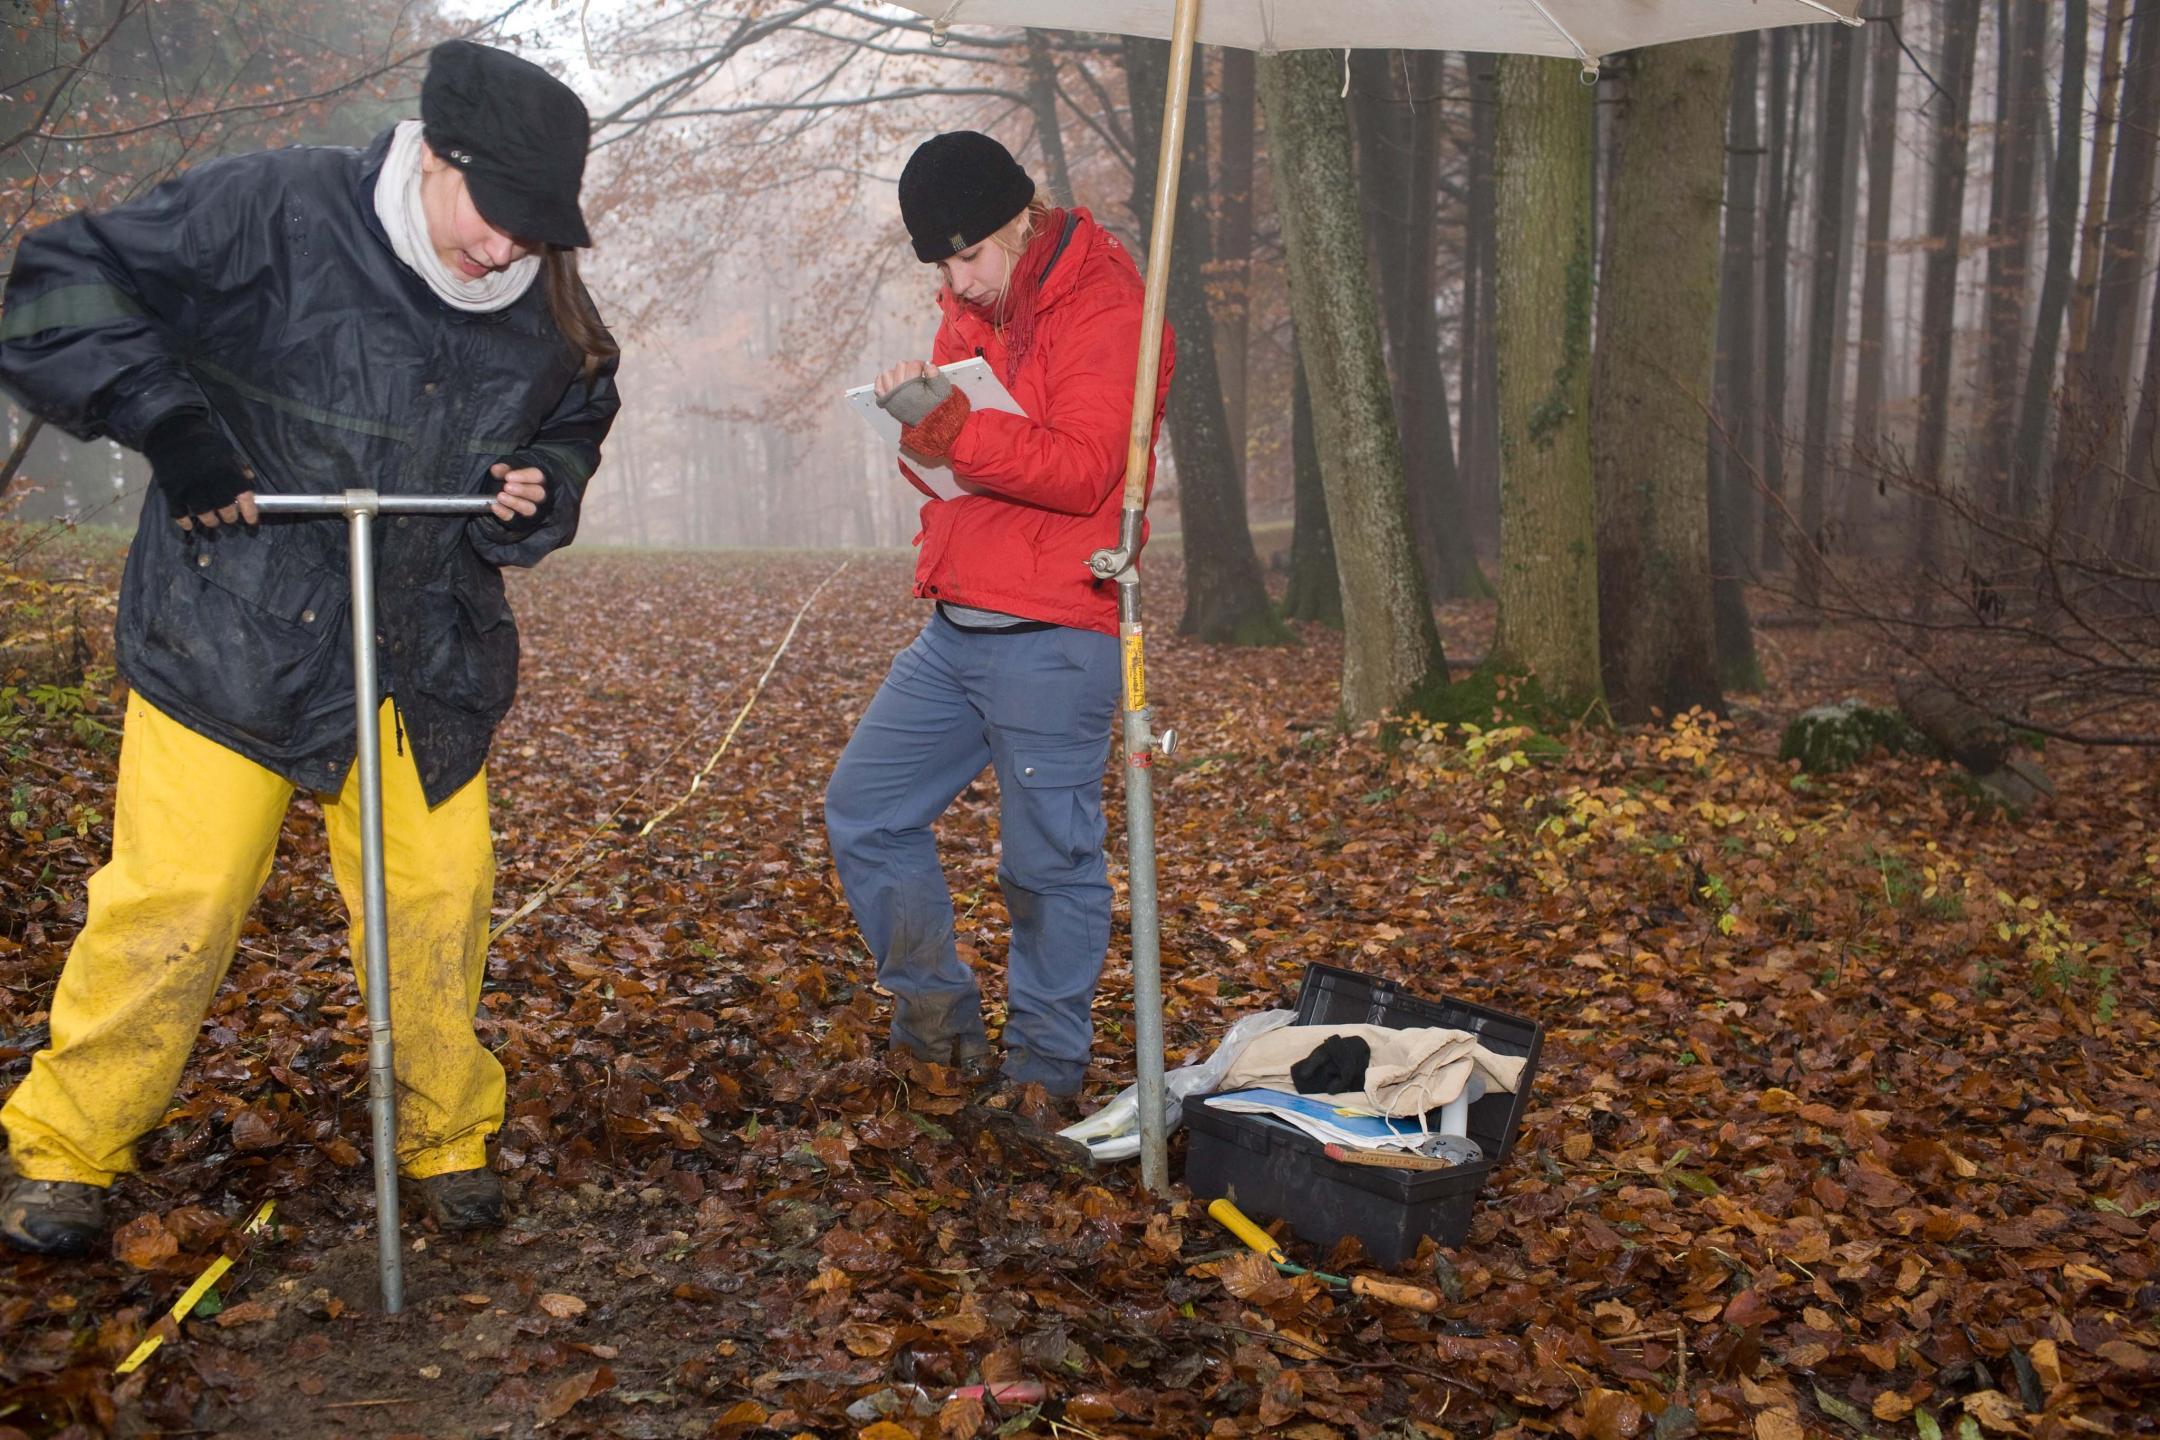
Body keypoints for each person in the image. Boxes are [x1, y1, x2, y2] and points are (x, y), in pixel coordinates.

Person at [0, 40, 619, 1254]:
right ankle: (66, 1149)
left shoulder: (545, 301)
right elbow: (57, 279)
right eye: (495, 218)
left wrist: (543, 482)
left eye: (536, 233)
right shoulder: (273, 209)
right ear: (437, 157)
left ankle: (445, 1136)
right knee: (181, 896)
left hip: (420, 643)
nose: (507, 251)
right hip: (234, 625)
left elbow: (581, 407)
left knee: (440, 893)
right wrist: (170, 423)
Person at [825, 131, 1173, 1151]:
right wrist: (917, 432)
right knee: (867, 811)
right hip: (959, 616)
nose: (955, 281)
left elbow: (1080, 471)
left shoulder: (1110, 304)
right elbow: (963, 453)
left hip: (1059, 626)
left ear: (1022, 220)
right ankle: (937, 1017)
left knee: (1046, 864)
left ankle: (1045, 1071)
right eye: (939, 264)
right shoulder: (971, 300)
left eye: (969, 256)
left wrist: (951, 429)